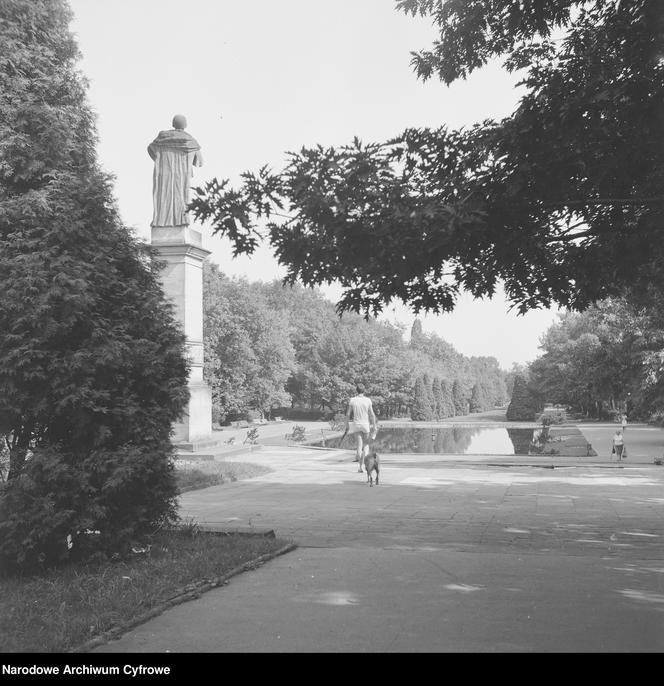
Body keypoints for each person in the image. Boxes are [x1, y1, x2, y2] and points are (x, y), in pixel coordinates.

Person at [147, 114, 203, 228]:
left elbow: (150, 149)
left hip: (163, 175)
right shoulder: (190, 141)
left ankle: (160, 221)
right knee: (180, 197)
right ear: (185, 125)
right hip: (181, 177)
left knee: (163, 196)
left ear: (173, 124)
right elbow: (200, 162)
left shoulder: (161, 138)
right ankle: (181, 221)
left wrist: (161, 160)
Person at [345, 383, 377, 472]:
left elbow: (348, 414)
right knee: (366, 446)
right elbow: (372, 414)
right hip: (365, 425)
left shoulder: (352, 400)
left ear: (356, 390)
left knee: (359, 446)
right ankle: (366, 463)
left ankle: (360, 467)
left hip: (356, 425)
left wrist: (347, 425)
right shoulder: (368, 400)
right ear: (364, 391)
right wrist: (374, 426)